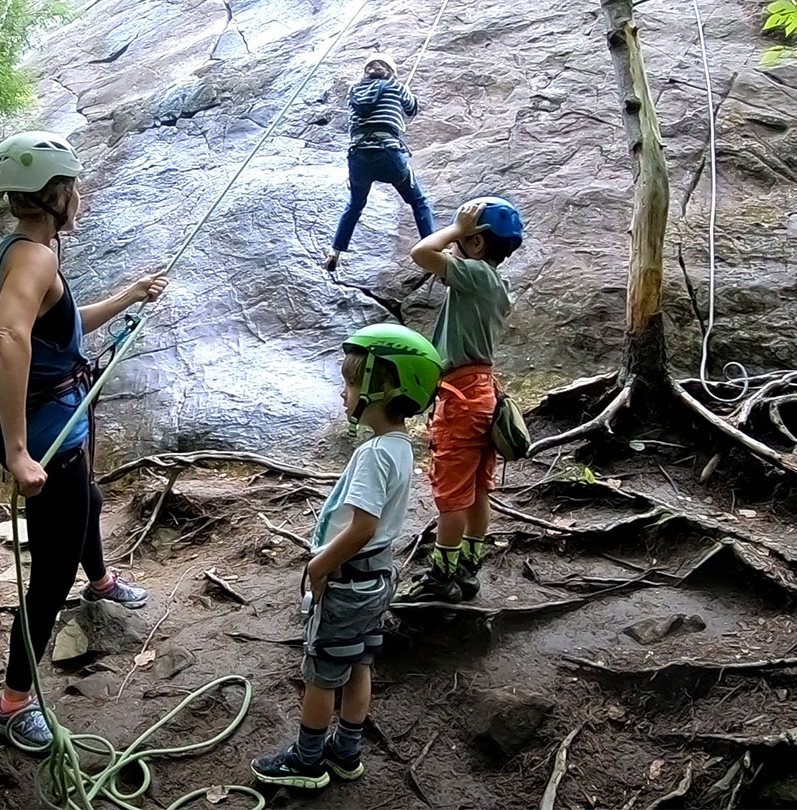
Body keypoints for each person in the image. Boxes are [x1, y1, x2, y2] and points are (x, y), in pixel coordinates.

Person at [0, 130, 169, 750]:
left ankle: (102, 581)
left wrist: (129, 296)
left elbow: (61, 329)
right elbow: (11, 338)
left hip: (57, 422)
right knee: (49, 576)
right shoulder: (36, 259)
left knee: (88, 500)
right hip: (46, 434)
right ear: (55, 195)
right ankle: (13, 703)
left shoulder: (22, 252)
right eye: (74, 187)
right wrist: (18, 452)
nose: (80, 196)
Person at [251, 324, 442, 789]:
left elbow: (362, 527)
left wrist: (319, 565)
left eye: (351, 382)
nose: (343, 392)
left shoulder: (374, 454)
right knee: (359, 662)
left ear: (382, 387)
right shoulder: (401, 447)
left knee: (322, 672)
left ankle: (308, 762)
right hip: (376, 580)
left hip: (348, 583)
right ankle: (346, 751)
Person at [406, 197, 524, 602]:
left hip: (461, 398)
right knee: (476, 489)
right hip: (484, 393)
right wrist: (463, 235)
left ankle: (441, 578)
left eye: (463, 239)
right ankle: (467, 569)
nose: (455, 244)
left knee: (452, 496)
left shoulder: (475, 275)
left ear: (476, 243)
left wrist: (457, 227)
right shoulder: (496, 284)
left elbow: (422, 253)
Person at [323, 52, 436, 273]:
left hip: (358, 157)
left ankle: (334, 252)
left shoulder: (353, 90)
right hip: (388, 154)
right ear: (390, 71)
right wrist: (404, 91)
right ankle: (432, 250)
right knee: (418, 201)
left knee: (355, 205)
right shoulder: (395, 86)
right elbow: (412, 108)